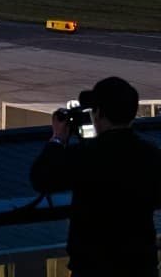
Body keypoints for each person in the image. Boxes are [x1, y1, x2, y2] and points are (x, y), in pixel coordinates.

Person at [30, 76, 161, 276]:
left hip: (93, 266)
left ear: (98, 114)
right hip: (140, 265)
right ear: (132, 115)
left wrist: (57, 139)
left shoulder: (86, 155)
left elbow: (41, 178)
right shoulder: (151, 154)